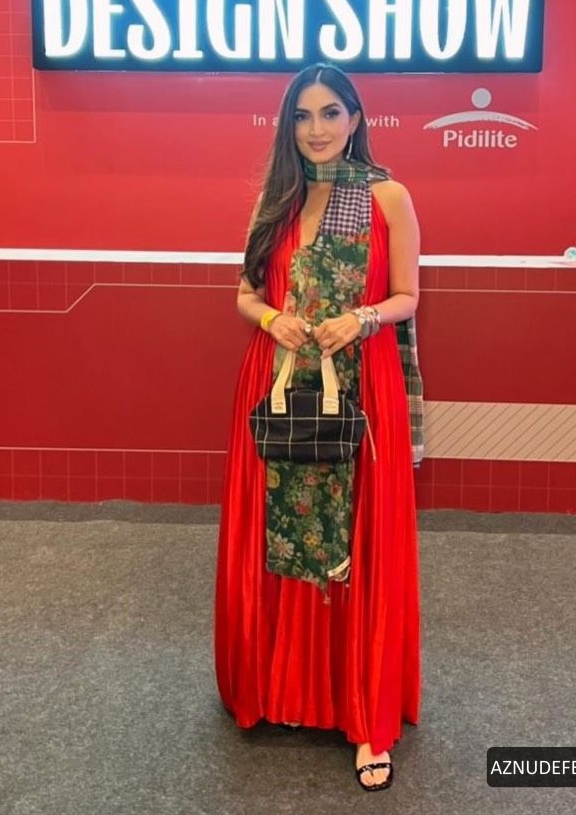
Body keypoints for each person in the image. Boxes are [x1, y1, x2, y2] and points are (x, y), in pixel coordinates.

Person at [214, 63, 424, 792]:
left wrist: (358, 318)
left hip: (361, 388)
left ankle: (364, 714)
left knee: (359, 542)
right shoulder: (276, 198)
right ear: (288, 126)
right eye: (302, 116)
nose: (317, 129)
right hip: (277, 380)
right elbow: (244, 293)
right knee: (274, 538)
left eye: (331, 113)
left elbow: (407, 296)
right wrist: (274, 318)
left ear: (356, 118)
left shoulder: (387, 197)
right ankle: (278, 690)